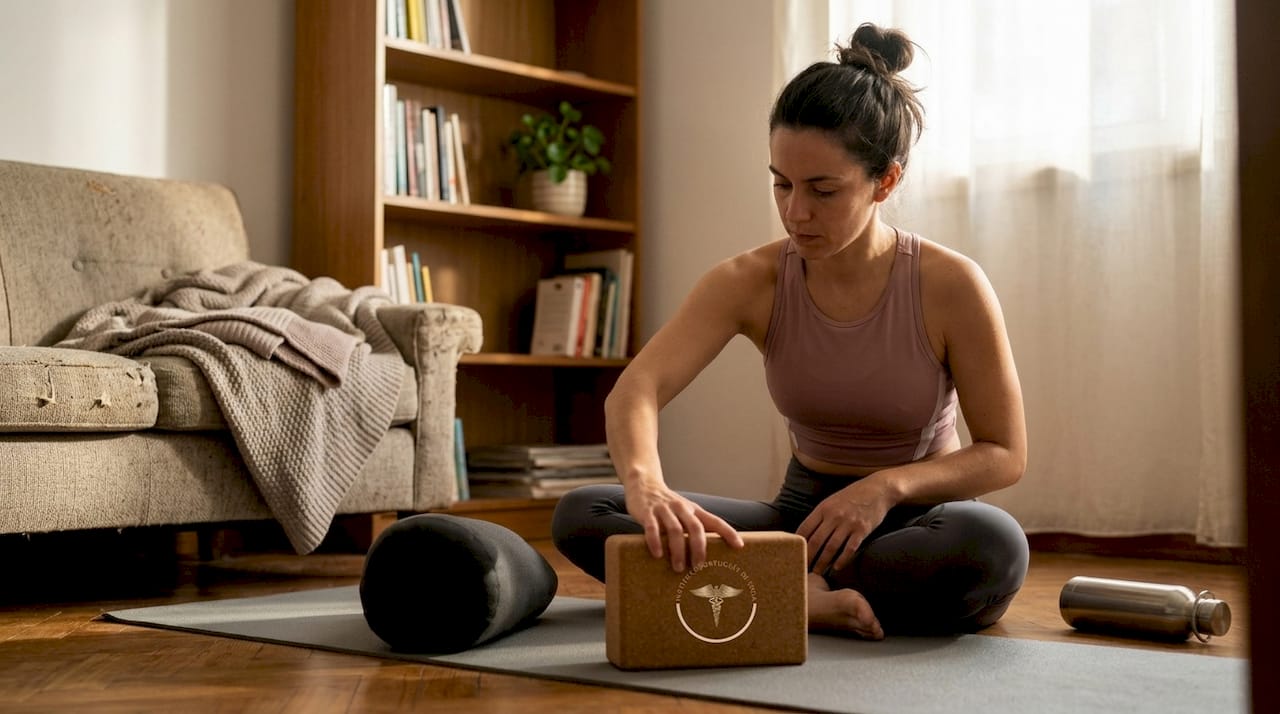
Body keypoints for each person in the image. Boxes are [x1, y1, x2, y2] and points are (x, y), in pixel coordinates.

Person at [552, 23, 1029, 639]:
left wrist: (884, 488)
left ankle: (763, 590)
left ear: (886, 180)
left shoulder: (950, 284)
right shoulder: (749, 281)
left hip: (917, 521)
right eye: (782, 183)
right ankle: (804, 597)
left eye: (823, 190)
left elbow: (1004, 453)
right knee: (585, 511)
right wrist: (648, 486)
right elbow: (636, 390)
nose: (795, 212)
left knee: (991, 544)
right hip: (799, 520)